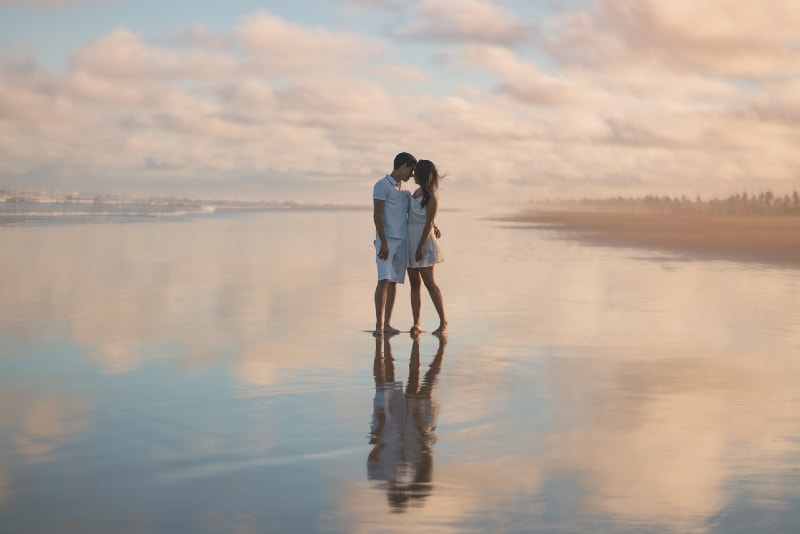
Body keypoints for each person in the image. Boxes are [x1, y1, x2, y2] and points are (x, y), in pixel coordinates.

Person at [373, 152, 416, 336]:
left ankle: (387, 323)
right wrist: (383, 241)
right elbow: (378, 215)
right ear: (403, 166)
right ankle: (378, 326)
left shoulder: (404, 190)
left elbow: (413, 212)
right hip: (386, 240)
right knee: (383, 280)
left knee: (392, 283)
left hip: (402, 240)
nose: (411, 174)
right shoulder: (382, 185)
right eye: (411, 170)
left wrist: (434, 226)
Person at [406, 159, 447, 335]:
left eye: (416, 172)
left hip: (423, 241)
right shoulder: (415, 192)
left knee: (430, 283)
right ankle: (416, 323)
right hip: (410, 238)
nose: (413, 175)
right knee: (414, 283)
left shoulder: (432, 196)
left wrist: (420, 248)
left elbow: (428, 222)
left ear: (422, 174)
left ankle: (443, 322)